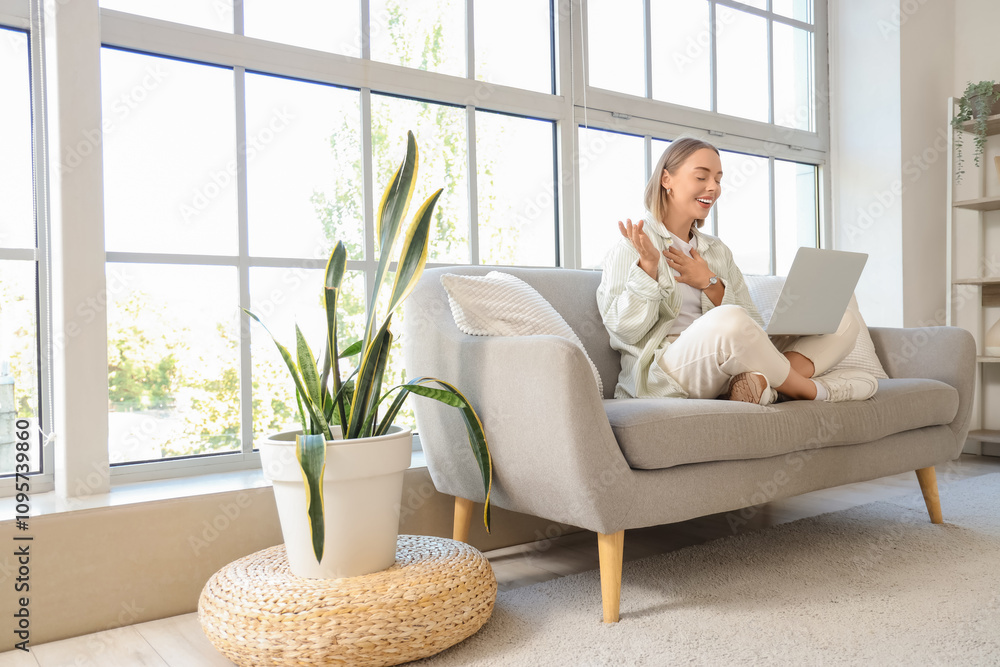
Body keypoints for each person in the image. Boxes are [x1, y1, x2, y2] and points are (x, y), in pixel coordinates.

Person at [596, 137, 878, 405]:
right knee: (730, 318)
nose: (713, 188)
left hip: (729, 362)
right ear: (666, 179)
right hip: (669, 371)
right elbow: (625, 331)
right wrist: (647, 269)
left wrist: (710, 283)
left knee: (845, 320)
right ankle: (812, 390)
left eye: (718, 179)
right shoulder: (633, 246)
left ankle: (762, 384)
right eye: (701, 177)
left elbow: (751, 323)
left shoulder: (717, 251)